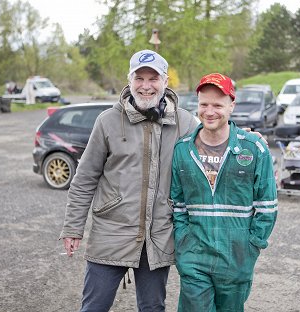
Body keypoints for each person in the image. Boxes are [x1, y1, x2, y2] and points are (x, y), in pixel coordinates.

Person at [59, 49, 198, 312]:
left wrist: (244, 138)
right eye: (139, 78)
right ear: (129, 80)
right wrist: (72, 227)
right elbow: (85, 178)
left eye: (153, 78)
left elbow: (214, 141)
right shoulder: (108, 121)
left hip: (157, 236)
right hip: (111, 233)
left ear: (166, 81)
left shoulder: (185, 122)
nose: (146, 86)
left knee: (152, 308)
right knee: (93, 307)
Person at [171, 73, 278, 311]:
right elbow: (178, 204)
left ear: (232, 105)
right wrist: (183, 240)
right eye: (204, 104)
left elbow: (267, 206)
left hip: (237, 258)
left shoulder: (253, 148)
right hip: (194, 258)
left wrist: (251, 246)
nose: (210, 111)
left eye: (218, 105)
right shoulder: (182, 149)